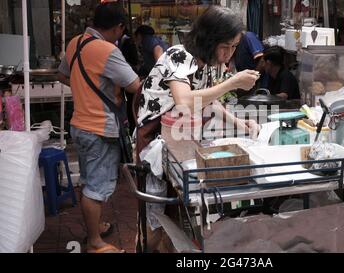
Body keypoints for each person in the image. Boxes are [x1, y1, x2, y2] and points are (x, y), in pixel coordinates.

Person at [135, 6, 260, 252]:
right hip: (154, 144)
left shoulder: (210, 64)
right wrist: (232, 82)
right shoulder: (177, 56)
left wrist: (241, 124)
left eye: (234, 47)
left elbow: (209, 102)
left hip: (182, 144)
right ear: (208, 38)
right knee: (154, 224)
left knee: (177, 220)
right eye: (226, 46)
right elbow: (185, 100)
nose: (229, 54)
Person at [57, 2, 141, 253]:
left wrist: (85, 90)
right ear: (118, 28)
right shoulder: (106, 50)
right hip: (99, 129)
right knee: (96, 187)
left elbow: (62, 75)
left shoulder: (74, 43)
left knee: (88, 181)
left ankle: (95, 227)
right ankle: (95, 243)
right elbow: (134, 85)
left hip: (79, 126)